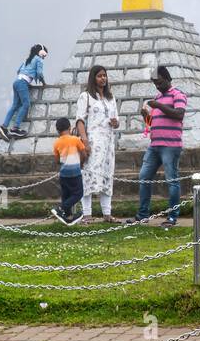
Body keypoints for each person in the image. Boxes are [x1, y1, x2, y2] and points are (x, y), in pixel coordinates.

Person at [129, 66, 187, 227]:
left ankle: (172, 217)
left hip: (171, 146)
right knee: (144, 177)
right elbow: (153, 123)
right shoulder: (158, 97)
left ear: (167, 79)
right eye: (155, 83)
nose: (158, 86)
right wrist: (146, 116)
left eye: (159, 82)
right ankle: (142, 215)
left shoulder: (178, 94)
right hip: (154, 145)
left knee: (172, 181)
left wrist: (159, 106)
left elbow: (179, 114)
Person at [75, 64, 121, 222]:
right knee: (88, 177)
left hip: (108, 143)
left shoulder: (110, 97)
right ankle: (87, 214)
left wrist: (115, 123)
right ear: (93, 78)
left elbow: (117, 121)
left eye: (105, 75)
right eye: (100, 76)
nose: (103, 78)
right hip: (93, 141)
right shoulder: (85, 96)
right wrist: (85, 141)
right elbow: (80, 121)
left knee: (107, 175)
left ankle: (107, 213)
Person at [0, 44, 48, 141]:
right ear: (41, 52)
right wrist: (44, 83)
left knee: (15, 105)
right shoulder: (38, 59)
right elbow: (40, 73)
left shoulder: (27, 59)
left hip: (17, 82)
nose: (45, 57)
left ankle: (4, 127)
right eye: (45, 54)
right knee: (26, 104)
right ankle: (15, 128)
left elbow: (19, 71)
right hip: (22, 83)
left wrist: (27, 83)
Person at [50, 117, 89, 224]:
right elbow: (84, 154)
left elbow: (57, 160)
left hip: (63, 174)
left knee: (66, 195)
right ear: (70, 127)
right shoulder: (75, 140)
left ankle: (67, 217)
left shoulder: (56, 143)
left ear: (58, 130)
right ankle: (60, 208)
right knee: (78, 194)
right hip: (75, 173)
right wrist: (81, 163)